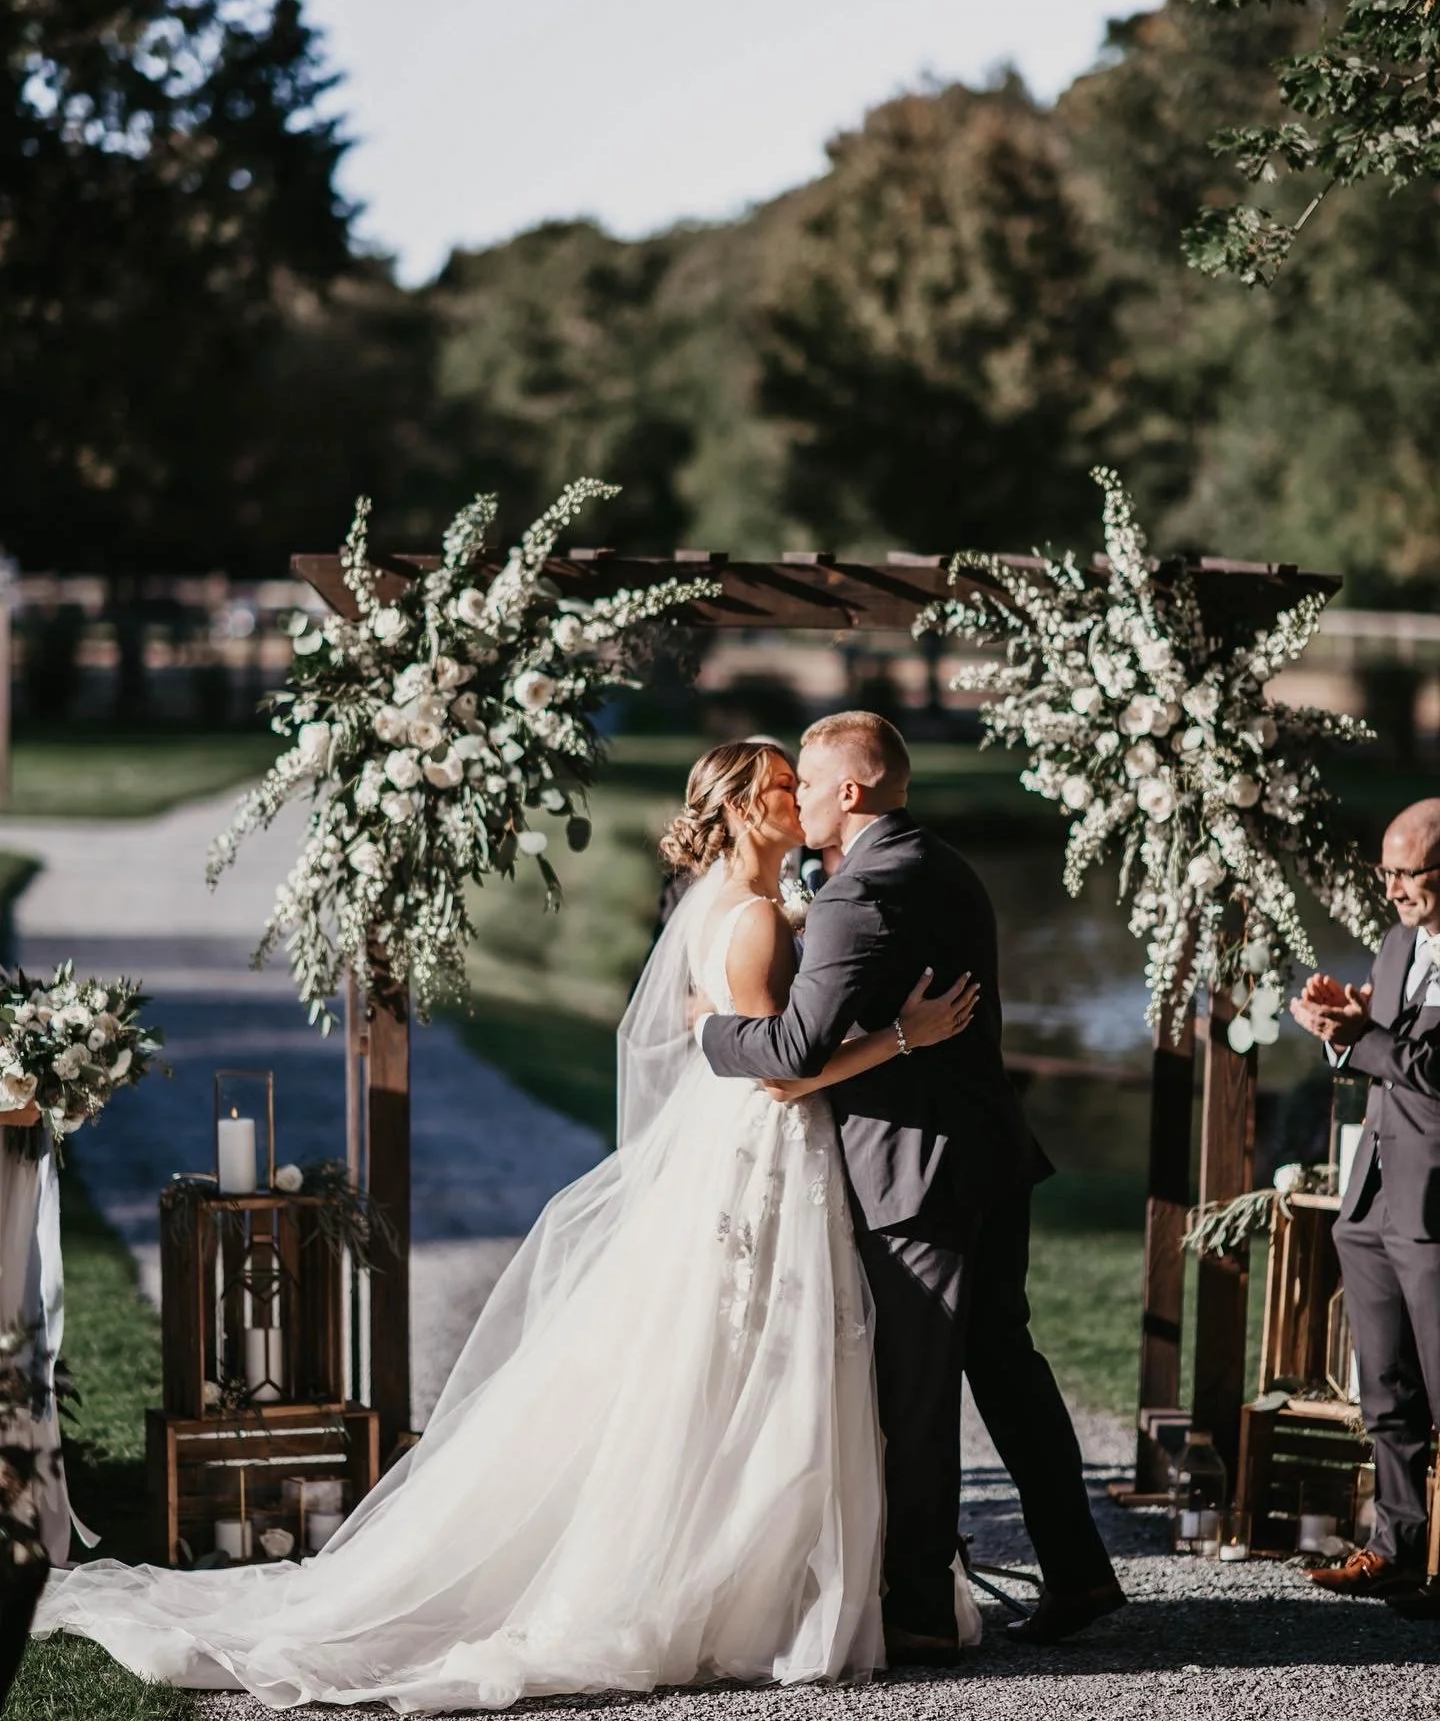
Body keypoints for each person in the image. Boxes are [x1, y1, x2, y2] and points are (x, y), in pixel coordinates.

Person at [34, 739, 979, 1709]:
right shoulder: (749, 924)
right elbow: (782, 1071)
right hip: (764, 1146)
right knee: (753, 1359)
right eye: (783, 785)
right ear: (744, 807)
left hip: (749, 1152)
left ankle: (761, 1572)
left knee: (747, 1361)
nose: (798, 797)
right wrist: (908, 1034)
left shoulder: (742, 908)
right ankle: (738, 1584)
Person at [699, 711, 1123, 1655]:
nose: (794, 797)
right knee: (1007, 1367)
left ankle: (923, 1611)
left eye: (805, 783)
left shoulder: (859, 895)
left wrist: (703, 1030)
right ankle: (1080, 1568)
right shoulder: (941, 863)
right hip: (989, 1158)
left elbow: (792, 1050)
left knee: (917, 1394)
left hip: (917, 1176)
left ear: (849, 791)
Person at [1290, 797, 1440, 1607]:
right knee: (1385, 1388)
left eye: (1407, 872)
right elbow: (1391, 1054)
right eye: (1385, 871)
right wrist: (1340, 1023)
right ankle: (1398, 1547)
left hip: (1436, 1203)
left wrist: (1359, 1037)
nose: (1391, 889)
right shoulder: (1396, 942)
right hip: (1375, 1195)